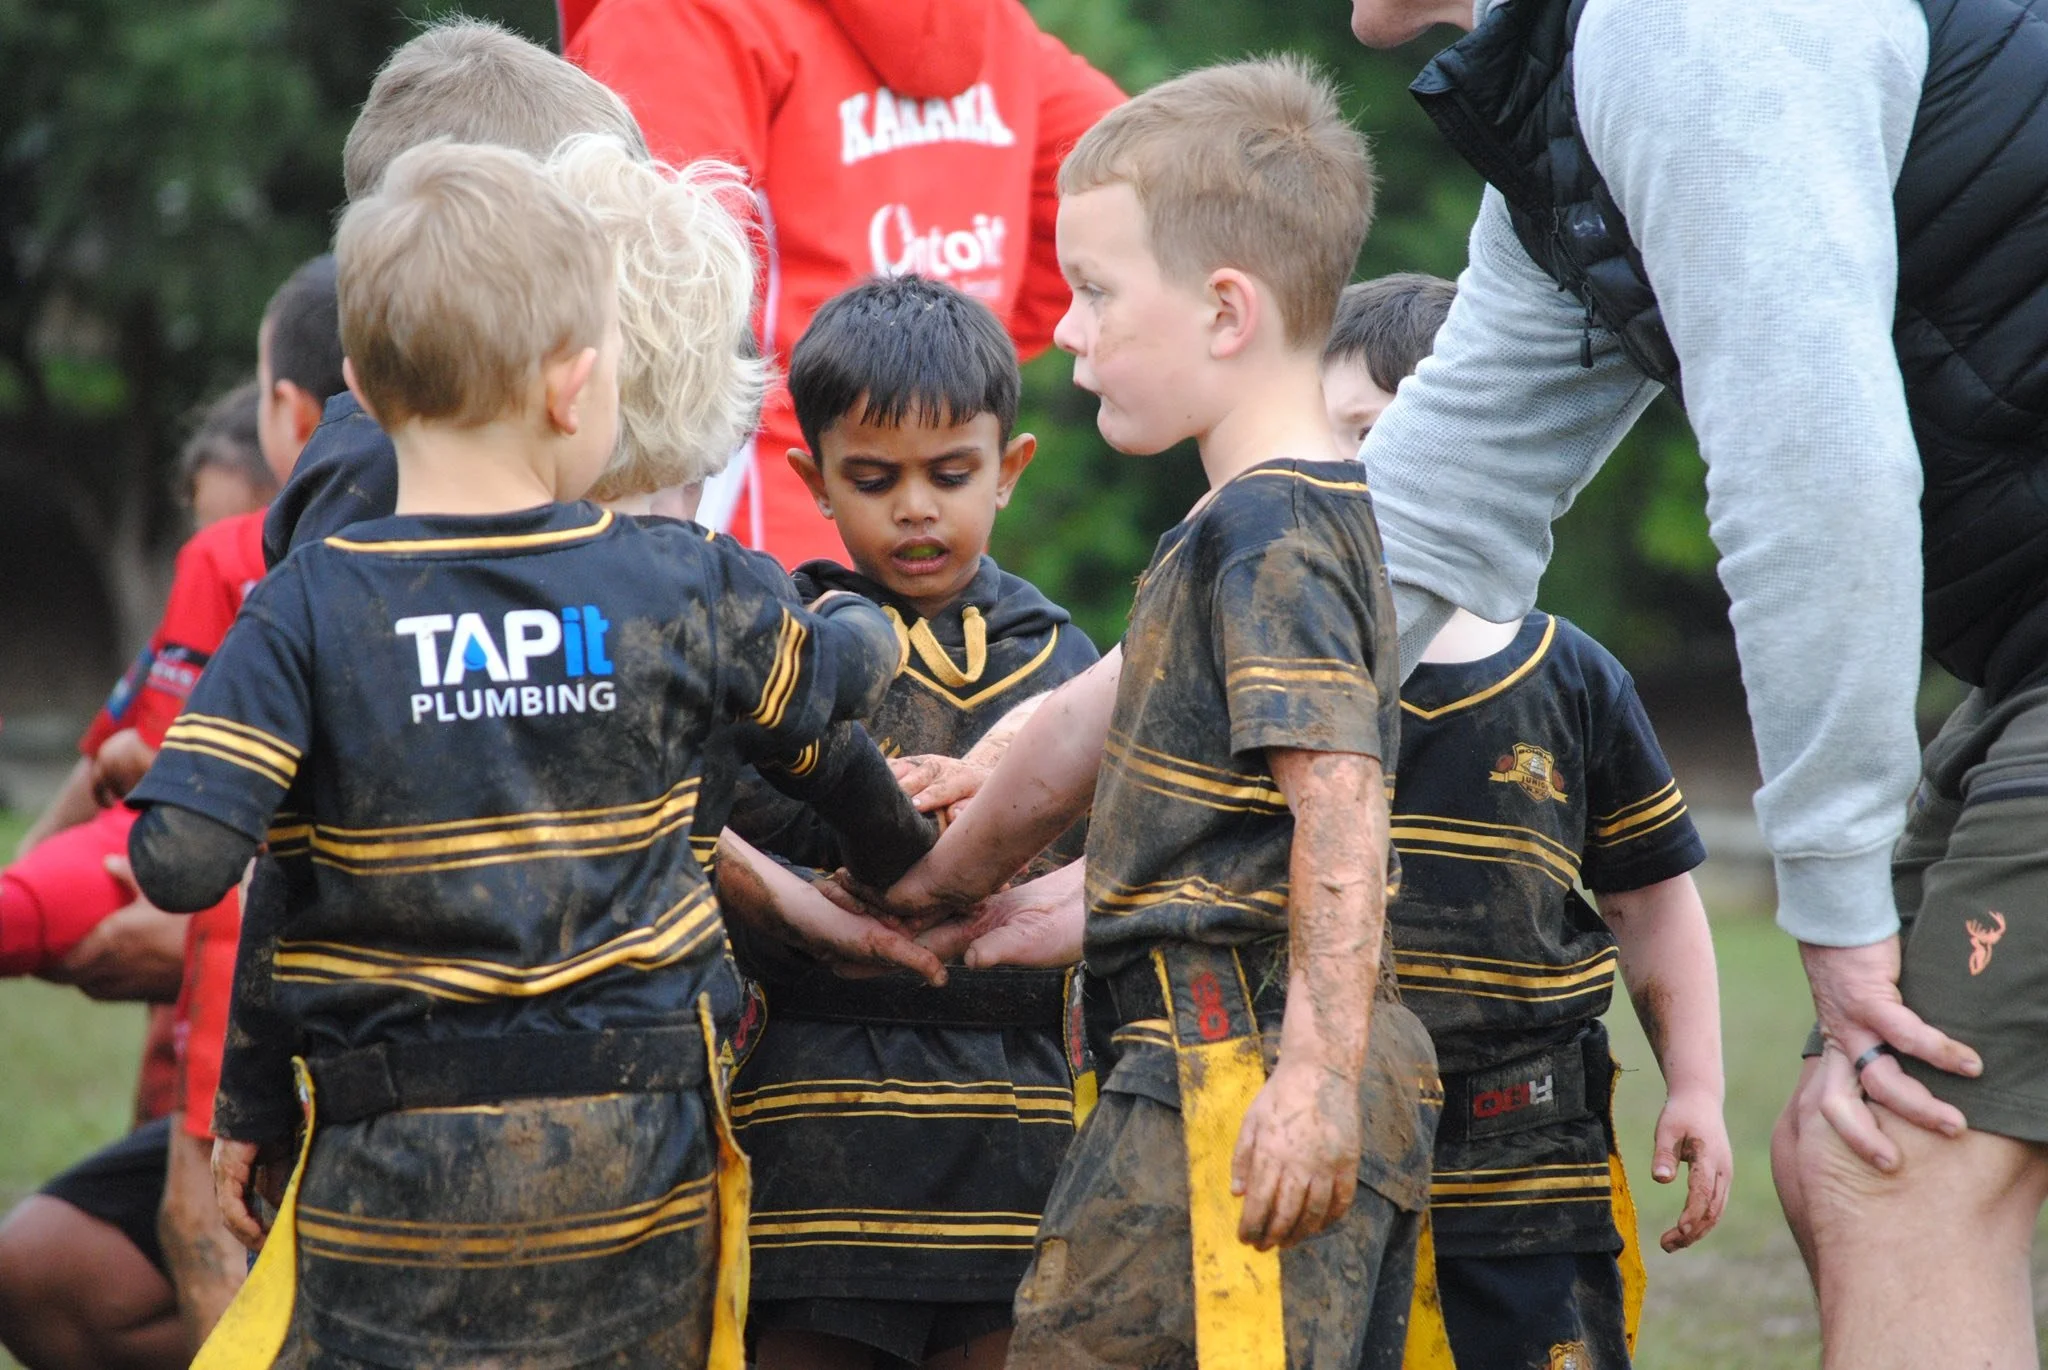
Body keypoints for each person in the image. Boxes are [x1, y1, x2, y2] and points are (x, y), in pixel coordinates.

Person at [123, 140, 919, 1368]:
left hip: (394, 1161)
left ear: (358, 383)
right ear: (573, 387)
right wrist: (857, 615)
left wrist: (251, 1097)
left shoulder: (309, 607)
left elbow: (188, 860)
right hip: (635, 1154)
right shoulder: (675, 582)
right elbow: (830, 693)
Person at [1342, 0, 2048, 1361]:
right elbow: (1397, 537)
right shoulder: (1575, 114)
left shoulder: (1690, 22)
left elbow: (1814, 467)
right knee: (1837, 1154)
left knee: (1893, 1161)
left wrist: (1837, 910)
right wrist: (1039, 809)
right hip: (2023, 658)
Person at [875, 58, 1440, 1370]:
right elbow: (1083, 730)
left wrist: (1309, 1080)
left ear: (1227, 311)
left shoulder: (1266, 528)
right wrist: (944, 868)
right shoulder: (1279, 517)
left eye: (1096, 292)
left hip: (1232, 1072)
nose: (1066, 329)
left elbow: (1340, 798)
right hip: (1224, 1062)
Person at [1325, 275, 1731, 1369]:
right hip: (1331, 1131)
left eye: (1392, 438)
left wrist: (1693, 1082)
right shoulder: (1287, 676)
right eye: (1344, 443)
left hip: (1532, 1142)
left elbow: (1648, 898)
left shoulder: (1574, 678)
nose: (1372, 478)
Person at [720, 274, 1098, 1370]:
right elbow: (745, 835)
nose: (916, 508)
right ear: (812, 479)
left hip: (1017, 1152)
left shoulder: (1071, 662)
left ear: (1009, 468)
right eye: (874, 479)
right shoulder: (775, 642)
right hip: (814, 1148)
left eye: (950, 474)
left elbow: (1100, 853)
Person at [0, 257, 346, 1370]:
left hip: (336, 1065)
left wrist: (214, 918)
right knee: (54, 1258)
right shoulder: (221, 582)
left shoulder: (374, 581)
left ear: (294, 415)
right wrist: (59, 873)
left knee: (205, 1223)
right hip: (199, 1019)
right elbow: (125, 764)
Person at [563, 0, 1122, 567]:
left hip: (734, 559)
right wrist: (953, 358)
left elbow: (641, 290)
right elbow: (1133, 198)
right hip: (938, 564)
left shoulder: (679, 18)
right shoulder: (997, 31)